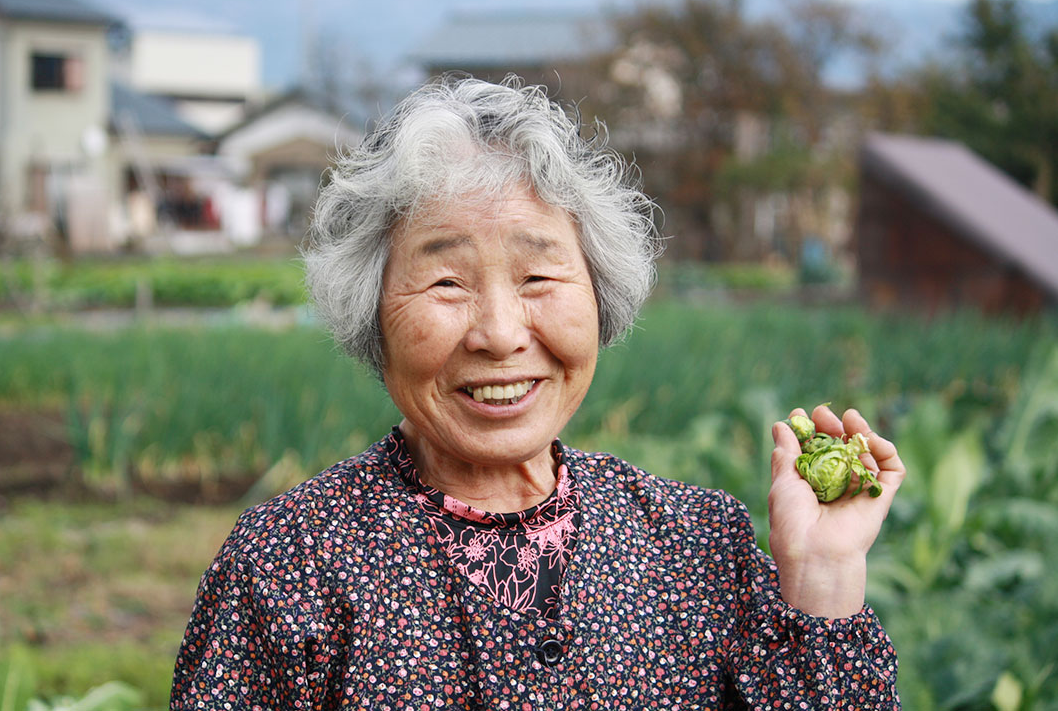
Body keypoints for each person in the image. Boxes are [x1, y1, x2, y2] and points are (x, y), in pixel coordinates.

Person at [171, 75, 905, 709]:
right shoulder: (288, 567)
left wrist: (823, 578)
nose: (498, 332)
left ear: (599, 297)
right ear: (374, 315)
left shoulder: (696, 546)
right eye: (446, 282)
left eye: (538, 278)